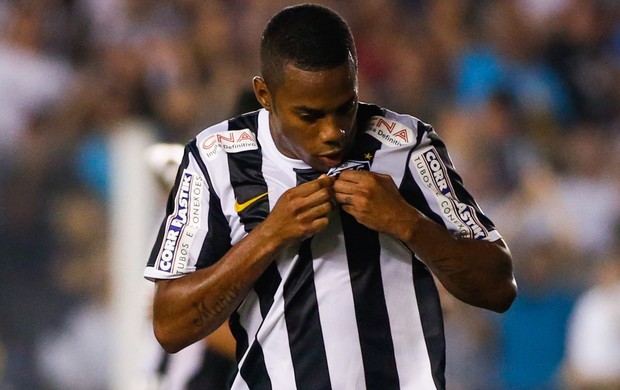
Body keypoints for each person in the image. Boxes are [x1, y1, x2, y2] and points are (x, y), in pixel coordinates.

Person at [144, 4, 517, 389]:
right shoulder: (215, 159)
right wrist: (271, 235)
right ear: (264, 95)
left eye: (346, 108)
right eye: (310, 116)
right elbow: (171, 326)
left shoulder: (406, 145)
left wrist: (408, 223)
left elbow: (499, 287)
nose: (333, 132)